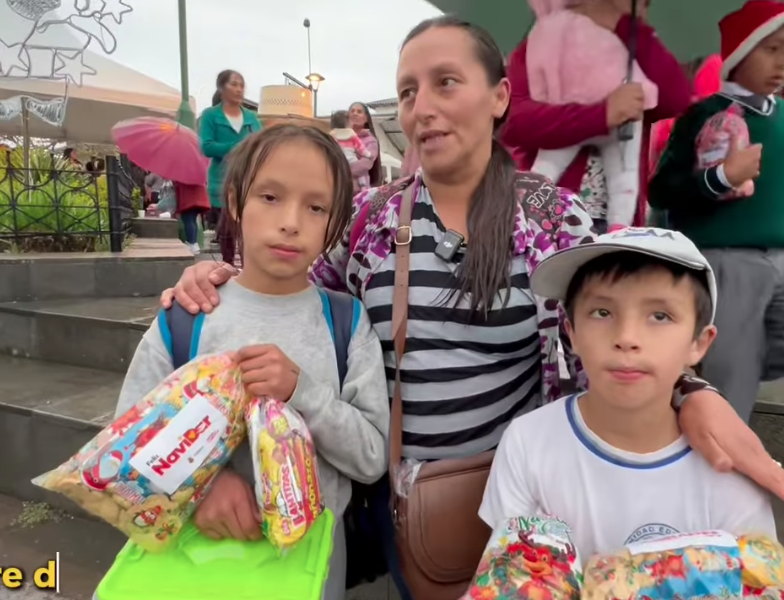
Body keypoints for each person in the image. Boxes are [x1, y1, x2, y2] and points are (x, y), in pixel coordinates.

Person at [161, 15, 784, 600]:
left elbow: (616, 329)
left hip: (535, 497)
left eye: (446, 83)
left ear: (499, 97)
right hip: (406, 507)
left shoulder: (553, 219)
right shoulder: (371, 220)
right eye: (407, 92)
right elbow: (295, 303)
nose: (422, 107)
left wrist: (689, 392)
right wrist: (220, 280)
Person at [115, 124, 389, 600]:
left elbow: (370, 458)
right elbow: (124, 448)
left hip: (311, 571)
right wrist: (199, 488)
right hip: (195, 571)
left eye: (316, 207)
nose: (291, 222)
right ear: (236, 201)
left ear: (335, 222)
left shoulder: (345, 323)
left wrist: (302, 393)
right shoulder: (189, 315)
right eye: (270, 197)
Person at [481, 227, 775, 560]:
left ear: (699, 343)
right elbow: (512, 573)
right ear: (571, 332)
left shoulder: (727, 470)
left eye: (659, 316)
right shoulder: (528, 443)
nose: (626, 337)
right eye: (602, 312)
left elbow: (756, 576)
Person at [648, 0, 784, 423]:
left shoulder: (781, 116)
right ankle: (717, 453)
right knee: (730, 382)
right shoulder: (704, 115)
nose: (781, 62)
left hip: (780, 258)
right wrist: (722, 177)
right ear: (739, 54)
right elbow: (661, 190)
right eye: (772, 49)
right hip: (726, 261)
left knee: (746, 361)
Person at [503, 0, 691, 231]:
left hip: (616, 225)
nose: (641, 10)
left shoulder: (636, 53)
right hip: (548, 222)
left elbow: (676, 98)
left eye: (645, 4)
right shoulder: (543, 41)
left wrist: (629, 30)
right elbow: (513, 120)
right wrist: (601, 115)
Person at [525, 0, 658, 229]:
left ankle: (524, 218)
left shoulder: (634, 39)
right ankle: (524, 220)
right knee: (621, 177)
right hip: (588, 113)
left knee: (549, 169)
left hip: (587, 110)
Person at [200, 69, 262, 264]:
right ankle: (228, 268)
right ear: (221, 87)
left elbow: (261, 143)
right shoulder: (210, 115)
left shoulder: (251, 117)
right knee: (227, 230)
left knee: (248, 228)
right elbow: (207, 147)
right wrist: (237, 147)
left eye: (242, 85)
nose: (239, 89)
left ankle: (249, 268)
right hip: (221, 181)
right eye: (234, 84)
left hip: (248, 180)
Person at [329, 110, 372, 192]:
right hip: (351, 159)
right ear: (347, 123)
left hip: (338, 160)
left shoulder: (332, 135)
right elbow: (360, 147)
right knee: (362, 172)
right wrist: (368, 155)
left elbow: (329, 147)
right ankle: (363, 185)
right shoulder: (352, 134)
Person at [345, 102, 383, 191]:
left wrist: (342, 171)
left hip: (359, 191)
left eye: (359, 112)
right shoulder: (339, 137)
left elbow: (365, 164)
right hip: (338, 189)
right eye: (352, 111)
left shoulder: (371, 141)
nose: (355, 114)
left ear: (366, 118)